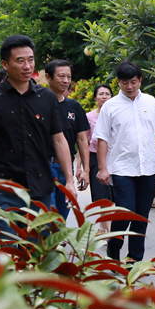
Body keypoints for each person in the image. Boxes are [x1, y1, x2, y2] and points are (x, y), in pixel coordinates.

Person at [0, 35, 77, 236]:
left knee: (38, 247)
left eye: (30, 60)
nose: (27, 66)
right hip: (2, 190)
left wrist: (69, 180)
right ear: (5, 64)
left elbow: (59, 140)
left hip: (40, 189)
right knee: (5, 246)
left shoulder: (46, 97)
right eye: (20, 60)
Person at [95, 62, 155, 261]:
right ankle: (114, 245)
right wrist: (102, 168)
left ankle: (134, 259)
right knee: (126, 211)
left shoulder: (150, 102)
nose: (129, 86)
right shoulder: (110, 106)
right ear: (118, 82)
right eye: (125, 82)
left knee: (141, 215)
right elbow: (102, 138)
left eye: (133, 82)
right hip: (121, 168)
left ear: (140, 81)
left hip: (148, 168)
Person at [44, 59, 90, 223]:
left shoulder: (74, 106)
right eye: (61, 76)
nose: (65, 81)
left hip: (66, 168)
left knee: (62, 214)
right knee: (48, 214)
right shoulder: (39, 103)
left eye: (68, 77)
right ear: (48, 77)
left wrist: (86, 170)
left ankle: (56, 238)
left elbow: (82, 139)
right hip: (44, 166)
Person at [81, 83, 113, 233]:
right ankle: (109, 232)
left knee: (112, 197)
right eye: (101, 94)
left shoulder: (115, 114)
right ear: (95, 97)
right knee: (102, 197)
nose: (104, 97)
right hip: (95, 157)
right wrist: (82, 167)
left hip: (113, 158)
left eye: (107, 94)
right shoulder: (89, 117)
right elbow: (84, 143)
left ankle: (102, 228)